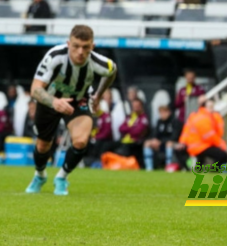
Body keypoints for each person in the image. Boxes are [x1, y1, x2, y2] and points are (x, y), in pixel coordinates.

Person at [25, 25, 117, 195]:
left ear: (92, 47)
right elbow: (35, 89)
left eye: (85, 47)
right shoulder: (54, 57)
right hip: (50, 100)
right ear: (68, 44)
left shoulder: (99, 63)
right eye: (76, 46)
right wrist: (54, 102)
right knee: (44, 144)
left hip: (79, 100)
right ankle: (40, 175)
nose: (80, 52)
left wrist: (98, 95)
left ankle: (61, 177)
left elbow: (112, 72)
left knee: (81, 141)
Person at [179, 96, 227, 165]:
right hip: (201, 146)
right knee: (222, 155)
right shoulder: (204, 117)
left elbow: (186, 131)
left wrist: (182, 142)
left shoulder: (196, 116)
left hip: (196, 145)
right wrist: (222, 145)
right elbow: (209, 136)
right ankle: (213, 170)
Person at [118, 98, 149, 167]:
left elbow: (137, 132)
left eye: (137, 106)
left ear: (141, 107)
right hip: (125, 141)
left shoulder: (143, 118)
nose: (135, 108)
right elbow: (120, 128)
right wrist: (131, 128)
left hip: (136, 143)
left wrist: (128, 129)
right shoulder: (130, 116)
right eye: (134, 106)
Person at [143, 105, 175, 171]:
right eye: (161, 112)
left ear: (169, 112)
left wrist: (161, 142)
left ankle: (168, 166)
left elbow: (174, 136)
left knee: (169, 144)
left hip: (171, 143)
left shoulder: (174, 122)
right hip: (160, 144)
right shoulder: (159, 122)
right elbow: (155, 133)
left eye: (164, 112)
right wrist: (154, 140)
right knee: (147, 143)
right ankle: (149, 168)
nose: (162, 114)